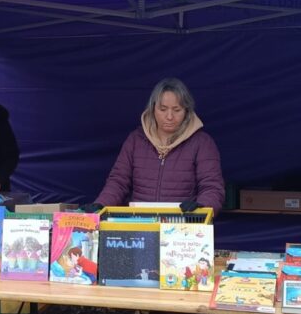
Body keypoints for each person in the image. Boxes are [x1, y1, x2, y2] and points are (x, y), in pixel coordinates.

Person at [94, 77, 225, 215]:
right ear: (153, 108)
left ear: (187, 111)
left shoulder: (202, 143)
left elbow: (212, 187)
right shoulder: (135, 140)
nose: (169, 116)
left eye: (177, 110)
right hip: (140, 223)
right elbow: (118, 181)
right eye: (163, 109)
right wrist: (100, 204)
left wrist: (201, 205)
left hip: (184, 225)